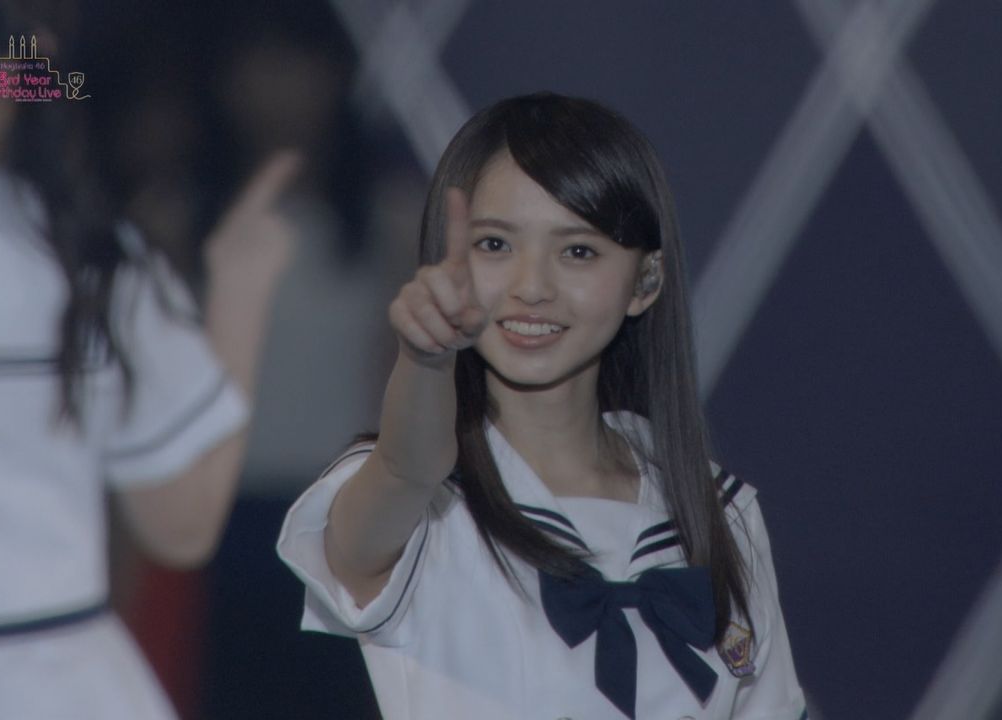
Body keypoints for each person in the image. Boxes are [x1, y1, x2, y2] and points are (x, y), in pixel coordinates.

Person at [277, 92, 808, 719]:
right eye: (495, 245)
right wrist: (425, 360)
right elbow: (407, 466)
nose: (532, 287)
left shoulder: (721, 513)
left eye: (578, 251)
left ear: (646, 282)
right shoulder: (423, 503)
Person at [0, 1, 297, 717]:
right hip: (52, 679)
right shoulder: (88, 263)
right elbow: (181, 523)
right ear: (10, 86)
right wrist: (240, 286)